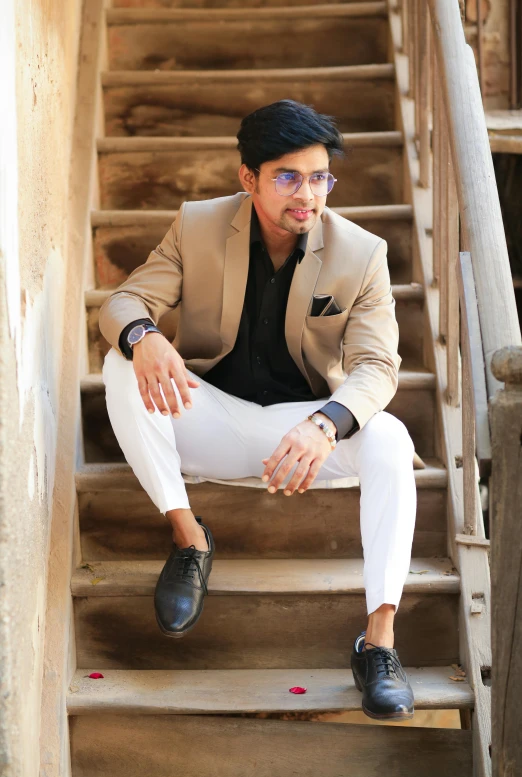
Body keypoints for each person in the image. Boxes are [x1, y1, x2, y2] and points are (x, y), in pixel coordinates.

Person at [99, 99, 417, 721]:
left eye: (320, 177)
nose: (308, 194)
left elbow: (377, 367)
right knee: (119, 360)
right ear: (248, 178)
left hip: (300, 432)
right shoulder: (197, 226)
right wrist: (145, 336)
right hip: (211, 415)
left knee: (391, 438)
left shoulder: (362, 253)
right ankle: (190, 539)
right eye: (288, 177)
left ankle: (378, 642)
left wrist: (326, 422)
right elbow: (124, 301)